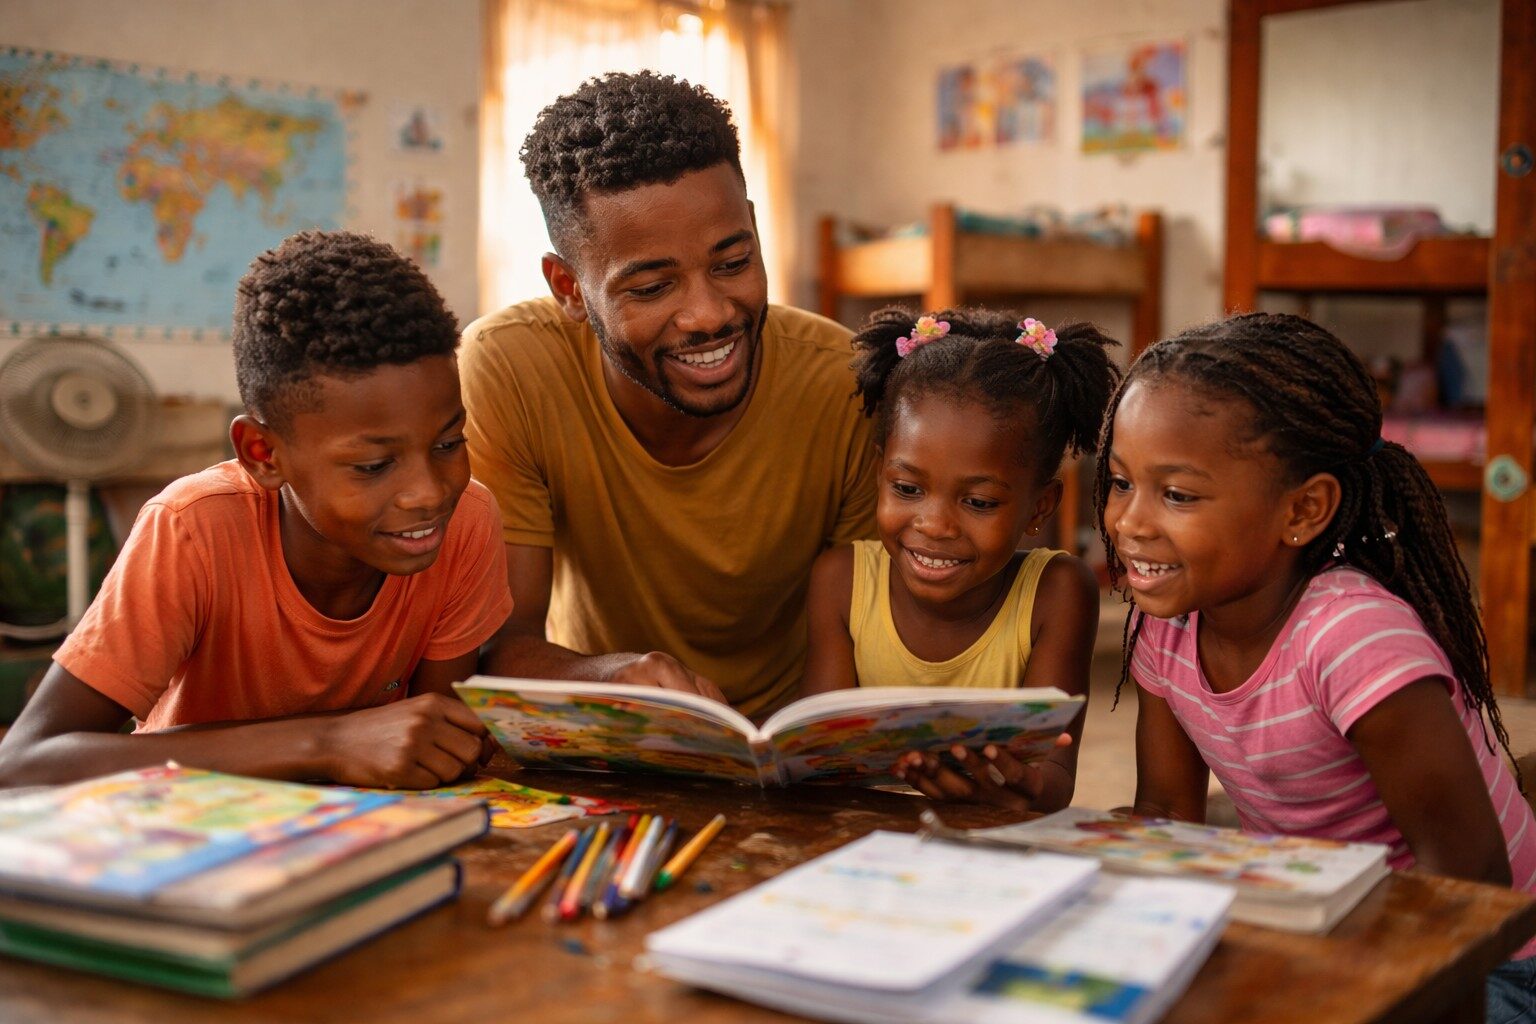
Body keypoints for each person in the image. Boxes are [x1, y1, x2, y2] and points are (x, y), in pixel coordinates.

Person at [1096, 312, 1535, 1015]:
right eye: (1120, 482)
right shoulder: (1167, 626)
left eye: (1177, 494)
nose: (1128, 522)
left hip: (1492, 960)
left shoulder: (1354, 639)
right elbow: (1167, 817)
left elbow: (1470, 878)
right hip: (1326, 921)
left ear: (1303, 510)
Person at [0, 231, 511, 789]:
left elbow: (433, 745)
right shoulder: (195, 530)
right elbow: (25, 763)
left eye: (447, 444)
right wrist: (326, 744)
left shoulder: (463, 523)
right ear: (263, 455)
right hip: (185, 840)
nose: (429, 492)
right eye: (372, 465)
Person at [460, 71, 877, 719]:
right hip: (604, 730)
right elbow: (500, 647)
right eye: (653, 288)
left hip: (792, 744)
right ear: (568, 288)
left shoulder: (846, 384)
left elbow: (868, 644)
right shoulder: (511, 368)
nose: (708, 314)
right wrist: (611, 677)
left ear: (755, 229)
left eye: (732, 262)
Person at [800, 306, 1118, 814]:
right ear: (879, 471)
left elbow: (1054, 778)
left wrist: (1014, 787)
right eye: (907, 488)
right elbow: (817, 759)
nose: (935, 525)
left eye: (979, 503)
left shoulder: (1056, 594)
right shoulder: (841, 582)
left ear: (1040, 507)